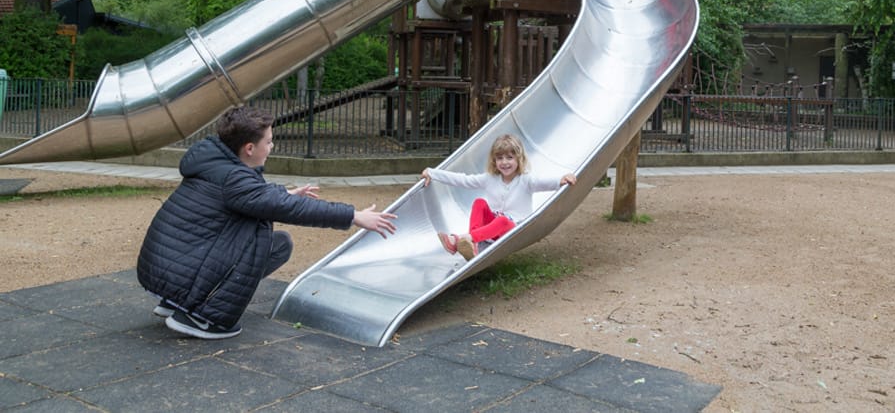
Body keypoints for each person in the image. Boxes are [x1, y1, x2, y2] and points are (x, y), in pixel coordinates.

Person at [136, 106, 397, 340]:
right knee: (259, 233)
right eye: (269, 142)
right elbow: (285, 208)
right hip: (178, 272)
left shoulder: (216, 163)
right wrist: (353, 215)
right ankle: (200, 316)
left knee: (278, 243)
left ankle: (177, 301)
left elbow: (252, 197)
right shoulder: (234, 180)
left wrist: (286, 193)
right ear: (250, 148)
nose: (272, 147)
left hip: (161, 268)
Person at [423, 134, 576, 261]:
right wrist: (432, 173)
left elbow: (546, 183)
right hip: (490, 232)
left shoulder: (526, 180)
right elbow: (463, 180)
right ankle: (472, 244)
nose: (504, 162)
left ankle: (460, 239)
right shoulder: (490, 179)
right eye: (500, 158)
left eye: (509, 157)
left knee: (502, 221)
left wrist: (562, 179)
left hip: (513, 231)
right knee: (479, 202)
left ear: (519, 159)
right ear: (494, 161)